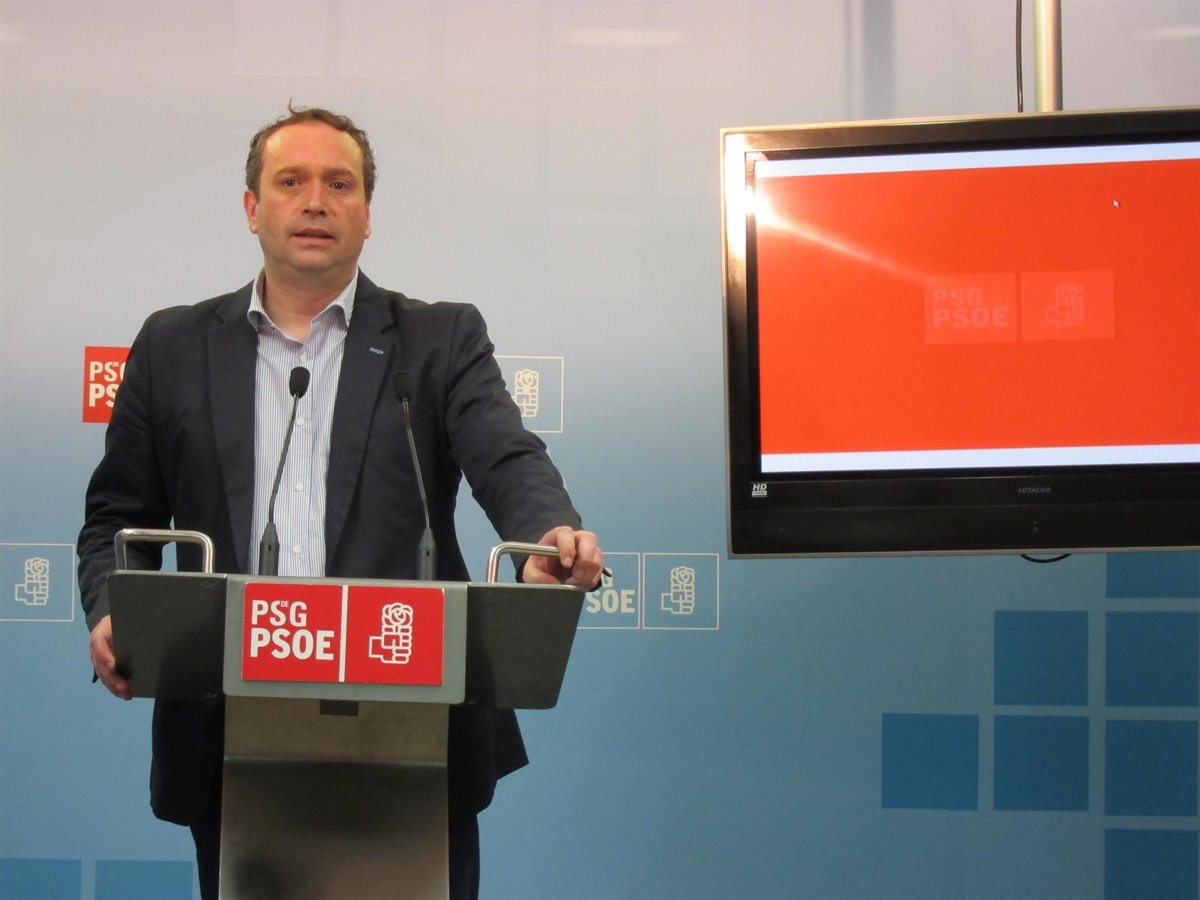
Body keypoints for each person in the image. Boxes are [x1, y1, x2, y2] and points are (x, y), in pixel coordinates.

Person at [77, 105, 603, 900]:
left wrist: (547, 532)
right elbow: (117, 518)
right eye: (290, 182)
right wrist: (116, 606)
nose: (315, 202)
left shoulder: (438, 339)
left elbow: (505, 455)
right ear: (252, 206)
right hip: (230, 727)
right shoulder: (173, 347)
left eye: (339, 184)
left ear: (367, 212)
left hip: (413, 726)